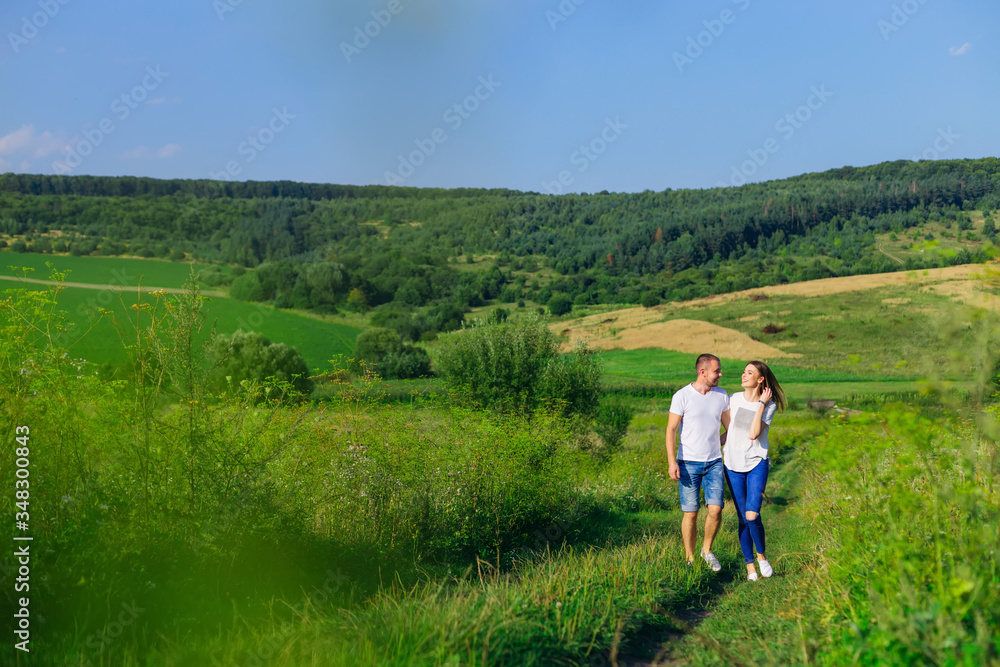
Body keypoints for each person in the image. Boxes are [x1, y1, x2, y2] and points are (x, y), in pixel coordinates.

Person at [666, 353, 731, 570]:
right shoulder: (682, 396)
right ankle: (690, 557)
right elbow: (671, 430)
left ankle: (707, 550)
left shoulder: (721, 396)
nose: (720, 374)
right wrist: (671, 461)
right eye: (717, 371)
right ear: (703, 372)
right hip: (687, 463)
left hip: (713, 462)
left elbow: (730, 428)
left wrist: (717, 443)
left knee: (716, 509)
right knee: (690, 512)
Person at [723, 360, 786, 582]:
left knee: (752, 514)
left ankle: (761, 557)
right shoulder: (732, 400)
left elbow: (753, 434)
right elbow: (730, 431)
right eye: (743, 371)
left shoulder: (769, 406)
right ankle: (750, 567)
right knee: (742, 518)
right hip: (732, 463)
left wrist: (761, 403)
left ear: (760, 380)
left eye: (749, 372)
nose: (743, 375)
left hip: (756, 461)